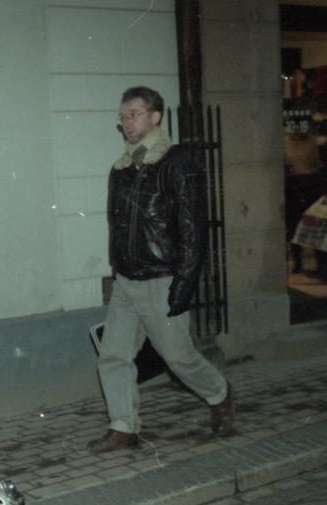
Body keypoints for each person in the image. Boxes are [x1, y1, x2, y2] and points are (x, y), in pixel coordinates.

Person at [87, 86, 234, 453]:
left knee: (178, 358)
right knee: (113, 356)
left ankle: (219, 393)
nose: (127, 123)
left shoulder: (177, 162)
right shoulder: (121, 169)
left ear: (155, 117)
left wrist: (184, 283)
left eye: (134, 115)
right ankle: (124, 426)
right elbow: (118, 226)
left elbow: (193, 229)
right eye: (123, 117)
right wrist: (118, 269)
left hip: (161, 279)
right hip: (127, 280)